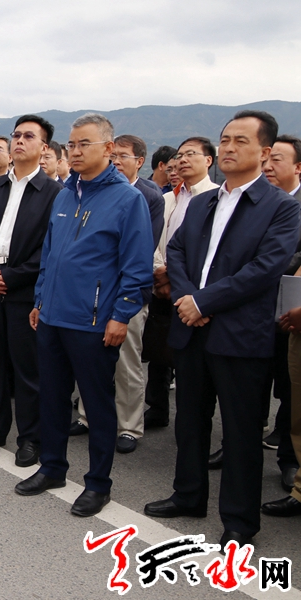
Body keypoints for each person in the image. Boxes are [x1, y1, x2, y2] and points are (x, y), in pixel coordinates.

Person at [144, 111, 300, 548]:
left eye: (240, 141)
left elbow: (266, 269)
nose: (229, 147)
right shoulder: (204, 202)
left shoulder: (281, 207)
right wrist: (188, 299)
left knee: (241, 430)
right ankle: (188, 494)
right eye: (225, 139)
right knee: (190, 420)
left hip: (240, 334)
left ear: (264, 152)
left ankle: (239, 520)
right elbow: (177, 250)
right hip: (192, 328)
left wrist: (203, 302)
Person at [16, 113, 152, 518]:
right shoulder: (64, 194)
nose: (74, 151)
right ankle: (52, 468)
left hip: (94, 322)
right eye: (71, 145)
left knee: (97, 404)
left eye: (83, 144)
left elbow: (137, 267)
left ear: (108, 148)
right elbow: (50, 255)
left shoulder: (127, 199)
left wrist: (121, 315)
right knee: (53, 397)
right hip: (53, 317)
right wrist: (40, 299)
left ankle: (98, 484)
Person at [0, 116, 63, 465]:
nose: (19, 141)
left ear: (44, 147)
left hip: (23, 291)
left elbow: (50, 248)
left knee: (27, 370)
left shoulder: (54, 193)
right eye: (16, 135)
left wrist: (12, 277)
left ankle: (31, 438)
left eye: (28, 136)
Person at [71, 134, 164, 454]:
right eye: (114, 155)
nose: (117, 161)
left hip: (127, 293)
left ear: (140, 161)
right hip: (90, 294)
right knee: (89, 359)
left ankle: (129, 426)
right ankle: (86, 416)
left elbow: (142, 249)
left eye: (124, 156)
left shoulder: (148, 196)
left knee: (126, 363)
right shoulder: (93, 191)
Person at [146, 138, 218, 430]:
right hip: (161, 286)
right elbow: (156, 240)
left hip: (193, 294)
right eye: (180, 155)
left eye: (191, 154)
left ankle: (194, 424)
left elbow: (207, 253)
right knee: (158, 352)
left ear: (209, 161)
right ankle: (157, 409)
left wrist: (175, 280)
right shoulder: (167, 199)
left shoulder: (216, 197)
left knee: (193, 363)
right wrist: (159, 272)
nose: (182, 160)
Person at [261, 134, 301, 507]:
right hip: (256, 310)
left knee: (291, 391)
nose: (269, 166)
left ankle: (290, 461)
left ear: (298, 167)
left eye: (277, 160)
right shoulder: (258, 202)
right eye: (267, 159)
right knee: (255, 383)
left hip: (291, 313)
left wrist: (265, 268)